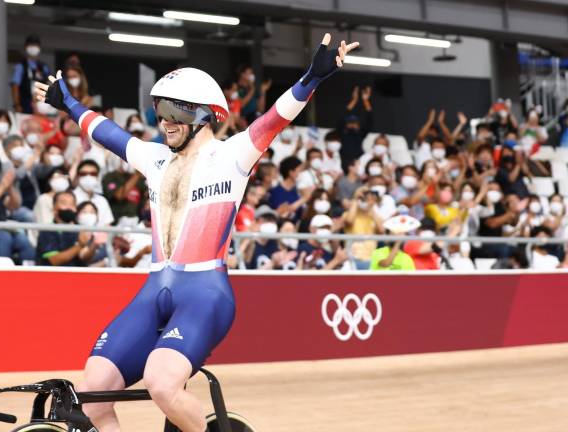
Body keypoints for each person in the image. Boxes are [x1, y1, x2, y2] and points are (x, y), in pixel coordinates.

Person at [35, 32, 358, 432]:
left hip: (205, 295)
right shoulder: (155, 158)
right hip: (154, 291)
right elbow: (106, 132)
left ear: (204, 114)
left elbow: (275, 118)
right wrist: (68, 101)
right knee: (94, 391)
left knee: (161, 382)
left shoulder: (232, 155)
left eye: (173, 111)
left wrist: (313, 78)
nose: (164, 121)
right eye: (159, 110)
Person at [36, 190, 94, 266]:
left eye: (72, 204)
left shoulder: (79, 230)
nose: (69, 207)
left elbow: (84, 258)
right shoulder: (47, 230)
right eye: (64, 203)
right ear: (54, 209)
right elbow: (54, 260)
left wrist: (94, 245)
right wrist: (79, 246)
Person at [11, 34, 50, 114]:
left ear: (39, 48)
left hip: (41, 104)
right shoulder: (21, 66)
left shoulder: (44, 67)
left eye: (35, 45)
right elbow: (15, 86)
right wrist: (17, 104)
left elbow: (49, 85)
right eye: (31, 45)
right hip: (25, 103)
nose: (33, 47)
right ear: (26, 47)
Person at [73, 159, 114, 226]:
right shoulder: (70, 197)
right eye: (83, 174)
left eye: (93, 174)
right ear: (77, 176)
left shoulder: (102, 201)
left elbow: (108, 226)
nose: (88, 177)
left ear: (98, 177)